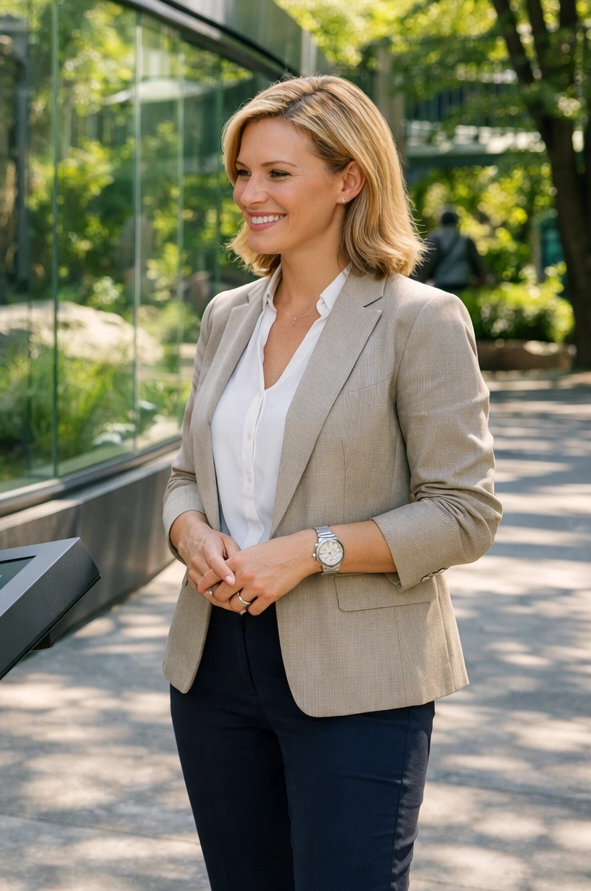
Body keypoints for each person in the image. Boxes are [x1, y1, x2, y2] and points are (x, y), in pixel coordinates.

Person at [163, 75, 501, 890]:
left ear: (349, 179)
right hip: (214, 671)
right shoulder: (227, 316)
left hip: (361, 679)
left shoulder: (420, 319)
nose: (251, 194)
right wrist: (191, 535)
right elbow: (182, 476)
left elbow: (465, 512)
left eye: (278, 173)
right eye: (243, 173)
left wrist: (310, 552)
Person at [414, 208, 490, 292]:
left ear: (441, 221)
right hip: (463, 284)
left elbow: (427, 263)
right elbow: (477, 263)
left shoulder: (435, 238)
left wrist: (421, 282)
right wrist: (481, 281)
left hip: (441, 285)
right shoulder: (466, 240)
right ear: (456, 222)